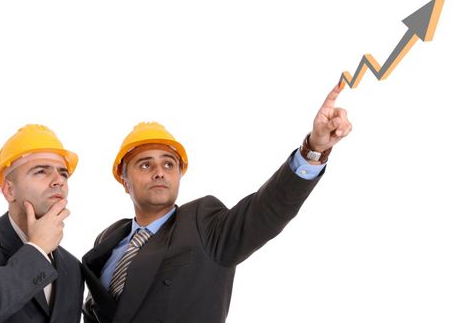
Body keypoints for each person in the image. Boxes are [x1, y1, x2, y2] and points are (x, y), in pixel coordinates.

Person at [82, 84, 352, 323]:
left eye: (168, 163)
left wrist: (313, 150)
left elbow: (267, 210)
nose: (159, 172)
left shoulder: (201, 223)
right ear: (125, 180)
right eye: (145, 164)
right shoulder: (108, 239)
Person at [0, 124, 84, 323]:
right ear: (9, 190)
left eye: (63, 173)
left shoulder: (72, 266)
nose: (58, 180)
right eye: (41, 171)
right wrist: (37, 250)